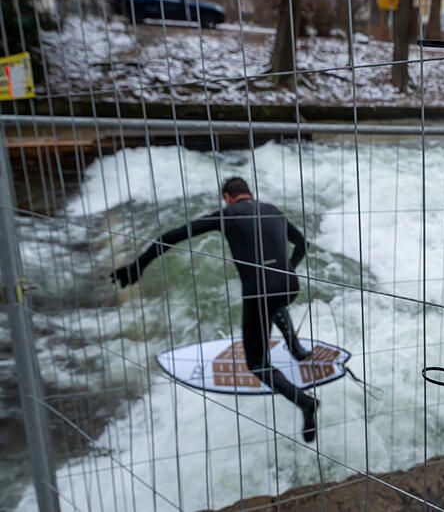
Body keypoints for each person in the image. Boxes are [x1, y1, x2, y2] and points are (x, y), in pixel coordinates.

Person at [111, 177, 318, 442]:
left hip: (259, 291)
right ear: (250, 193)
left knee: (257, 363)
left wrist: (138, 265)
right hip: (290, 285)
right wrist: (288, 268)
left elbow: (171, 237)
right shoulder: (272, 210)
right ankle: (296, 348)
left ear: (227, 197)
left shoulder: (227, 215)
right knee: (273, 300)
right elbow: (302, 244)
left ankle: (305, 402)